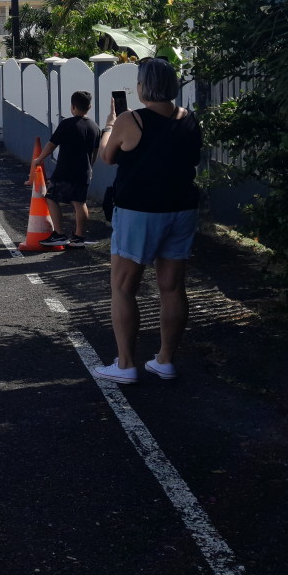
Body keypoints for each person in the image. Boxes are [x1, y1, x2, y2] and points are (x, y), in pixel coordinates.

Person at [94, 58, 202, 384]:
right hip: (182, 209)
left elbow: (107, 156)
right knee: (172, 287)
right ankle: (165, 360)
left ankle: (126, 364)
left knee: (123, 287)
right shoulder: (188, 119)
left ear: (143, 86)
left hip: (139, 212)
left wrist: (109, 127)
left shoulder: (131, 119)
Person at [33, 90, 100, 247]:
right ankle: (79, 237)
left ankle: (59, 234)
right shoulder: (95, 127)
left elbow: (52, 144)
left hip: (65, 170)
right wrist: (90, 167)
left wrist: (39, 159)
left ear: (72, 106)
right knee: (79, 202)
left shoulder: (66, 124)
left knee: (51, 197)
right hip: (84, 171)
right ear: (89, 106)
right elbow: (95, 152)